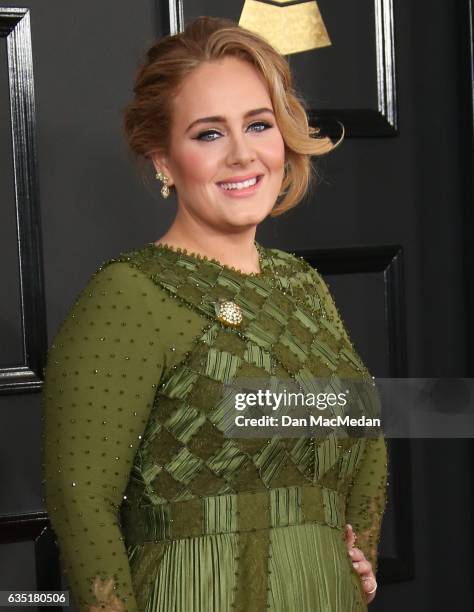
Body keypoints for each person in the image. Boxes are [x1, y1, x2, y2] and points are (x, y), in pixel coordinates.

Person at [42, 15, 388, 612]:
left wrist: (359, 556)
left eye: (259, 124)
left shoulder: (299, 285)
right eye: (208, 134)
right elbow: (81, 501)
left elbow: (365, 435)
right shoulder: (129, 294)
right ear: (162, 160)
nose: (242, 154)